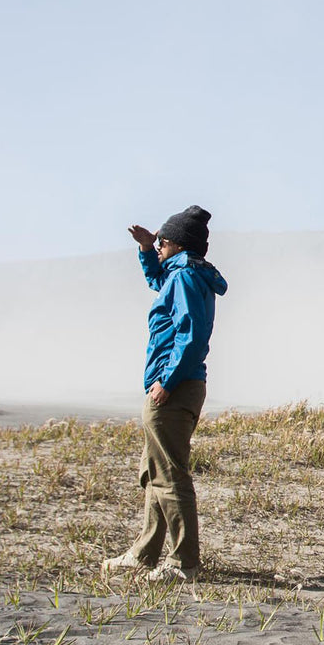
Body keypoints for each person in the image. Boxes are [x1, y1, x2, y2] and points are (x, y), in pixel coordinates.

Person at [102, 205, 228, 583]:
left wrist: (167, 381)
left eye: (161, 241)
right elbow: (158, 280)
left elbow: (191, 335)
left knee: (170, 476)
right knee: (155, 471)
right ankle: (144, 554)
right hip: (177, 385)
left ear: (177, 244)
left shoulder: (185, 276)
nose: (158, 246)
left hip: (174, 388)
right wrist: (145, 249)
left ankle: (183, 563)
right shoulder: (181, 273)